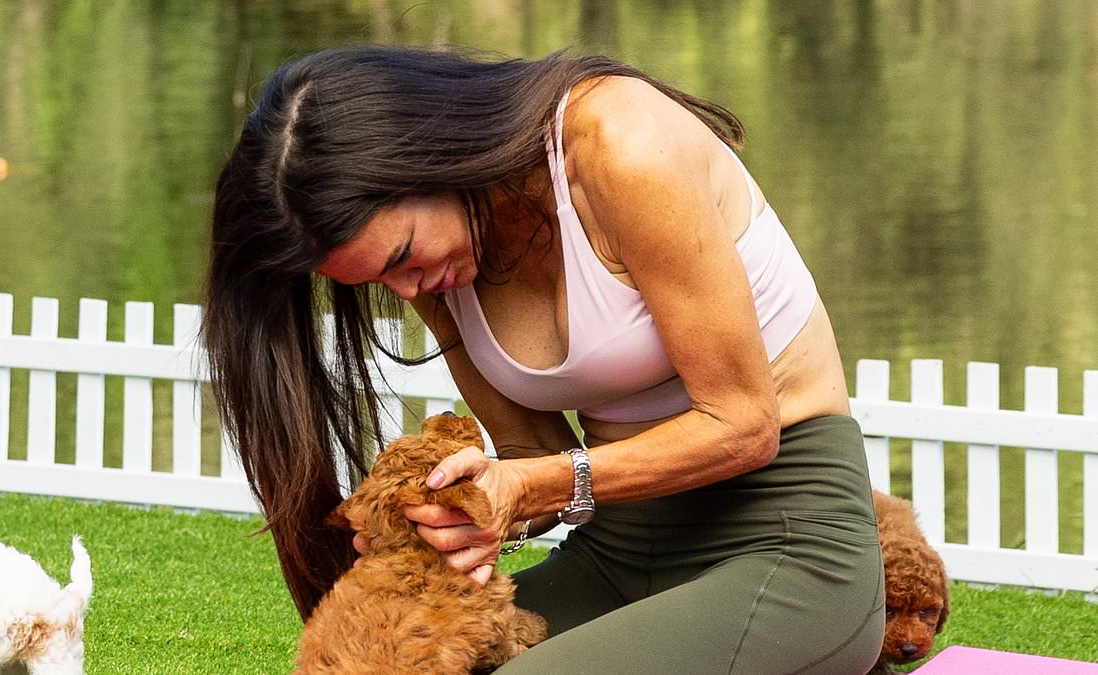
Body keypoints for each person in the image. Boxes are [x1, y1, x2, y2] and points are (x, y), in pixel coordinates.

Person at [203, 46, 884, 674]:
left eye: (403, 257)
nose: (407, 290)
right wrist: (474, 512)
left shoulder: (617, 142)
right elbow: (534, 450)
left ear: (423, 159)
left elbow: (743, 424)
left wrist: (528, 487)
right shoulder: (441, 265)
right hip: (618, 552)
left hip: (788, 544)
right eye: (379, 282)